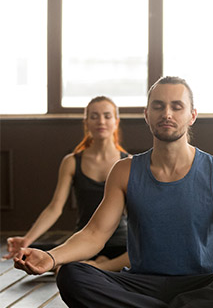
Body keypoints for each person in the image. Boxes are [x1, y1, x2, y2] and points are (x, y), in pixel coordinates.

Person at [13, 76, 213, 308]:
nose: (167, 114)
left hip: (201, 283)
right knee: (71, 277)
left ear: (192, 116)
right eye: (159, 106)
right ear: (146, 114)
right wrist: (51, 258)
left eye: (177, 107)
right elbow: (94, 234)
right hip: (140, 283)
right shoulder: (124, 171)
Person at [4, 96, 129, 271]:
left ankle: (100, 267)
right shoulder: (72, 161)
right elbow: (55, 208)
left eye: (107, 116)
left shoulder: (128, 163)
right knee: (36, 257)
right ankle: (95, 265)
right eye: (94, 116)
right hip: (84, 242)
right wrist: (27, 239)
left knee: (141, 253)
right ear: (86, 122)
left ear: (116, 122)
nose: (101, 121)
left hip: (120, 243)